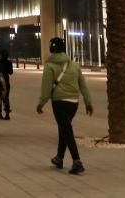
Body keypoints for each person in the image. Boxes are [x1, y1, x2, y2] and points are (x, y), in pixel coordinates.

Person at [37, 36, 93, 175]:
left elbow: (46, 87)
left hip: (59, 102)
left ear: (52, 49)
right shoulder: (74, 64)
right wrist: (88, 102)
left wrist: (41, 103)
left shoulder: (49, 66)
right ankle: (59, 158)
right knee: (64, 128)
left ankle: (77, 161)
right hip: (74, 102)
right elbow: (83, 85)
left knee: (66, 130)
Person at [0, 49, 14, 119]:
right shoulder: (9, 62)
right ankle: (7, 113)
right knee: (6, 97)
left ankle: (0, 113)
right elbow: (11, 72)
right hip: (6, 81)